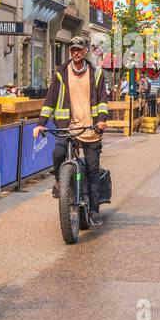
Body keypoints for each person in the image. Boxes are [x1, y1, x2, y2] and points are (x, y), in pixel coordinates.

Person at [36, 36, 109, 223]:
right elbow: (50, 100)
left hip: (90, 128)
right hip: (67, 126)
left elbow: (102, 101)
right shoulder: (61, 72)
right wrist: (41, 122)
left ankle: (94, 210)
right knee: (58, 153)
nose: (75, 52)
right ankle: (62, 181)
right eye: (72, 50)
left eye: (79, 49)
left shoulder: (96, 74)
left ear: (85, 51)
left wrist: (101, 120)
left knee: (93, 170)